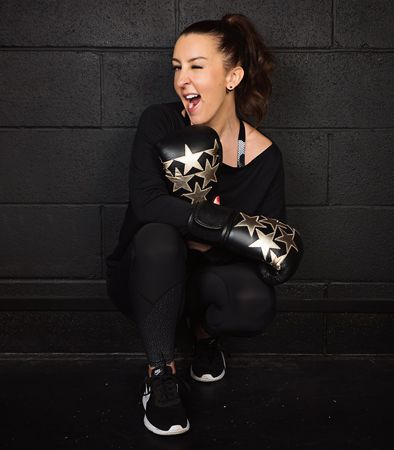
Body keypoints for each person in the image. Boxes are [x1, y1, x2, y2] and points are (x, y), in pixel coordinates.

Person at [105, 13, 294, 436]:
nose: (182, 80)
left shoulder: (265, 157)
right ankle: (160, 375)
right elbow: (148, 204)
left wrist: (214, 238)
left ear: (232, 77)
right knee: (158, 237)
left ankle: (205, 335)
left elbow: (269, 249)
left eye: (196, 66)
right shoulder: (160, 122)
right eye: (177, 67)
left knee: (253, 300)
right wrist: (223, 228)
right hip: (144, 279)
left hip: (202, 285)